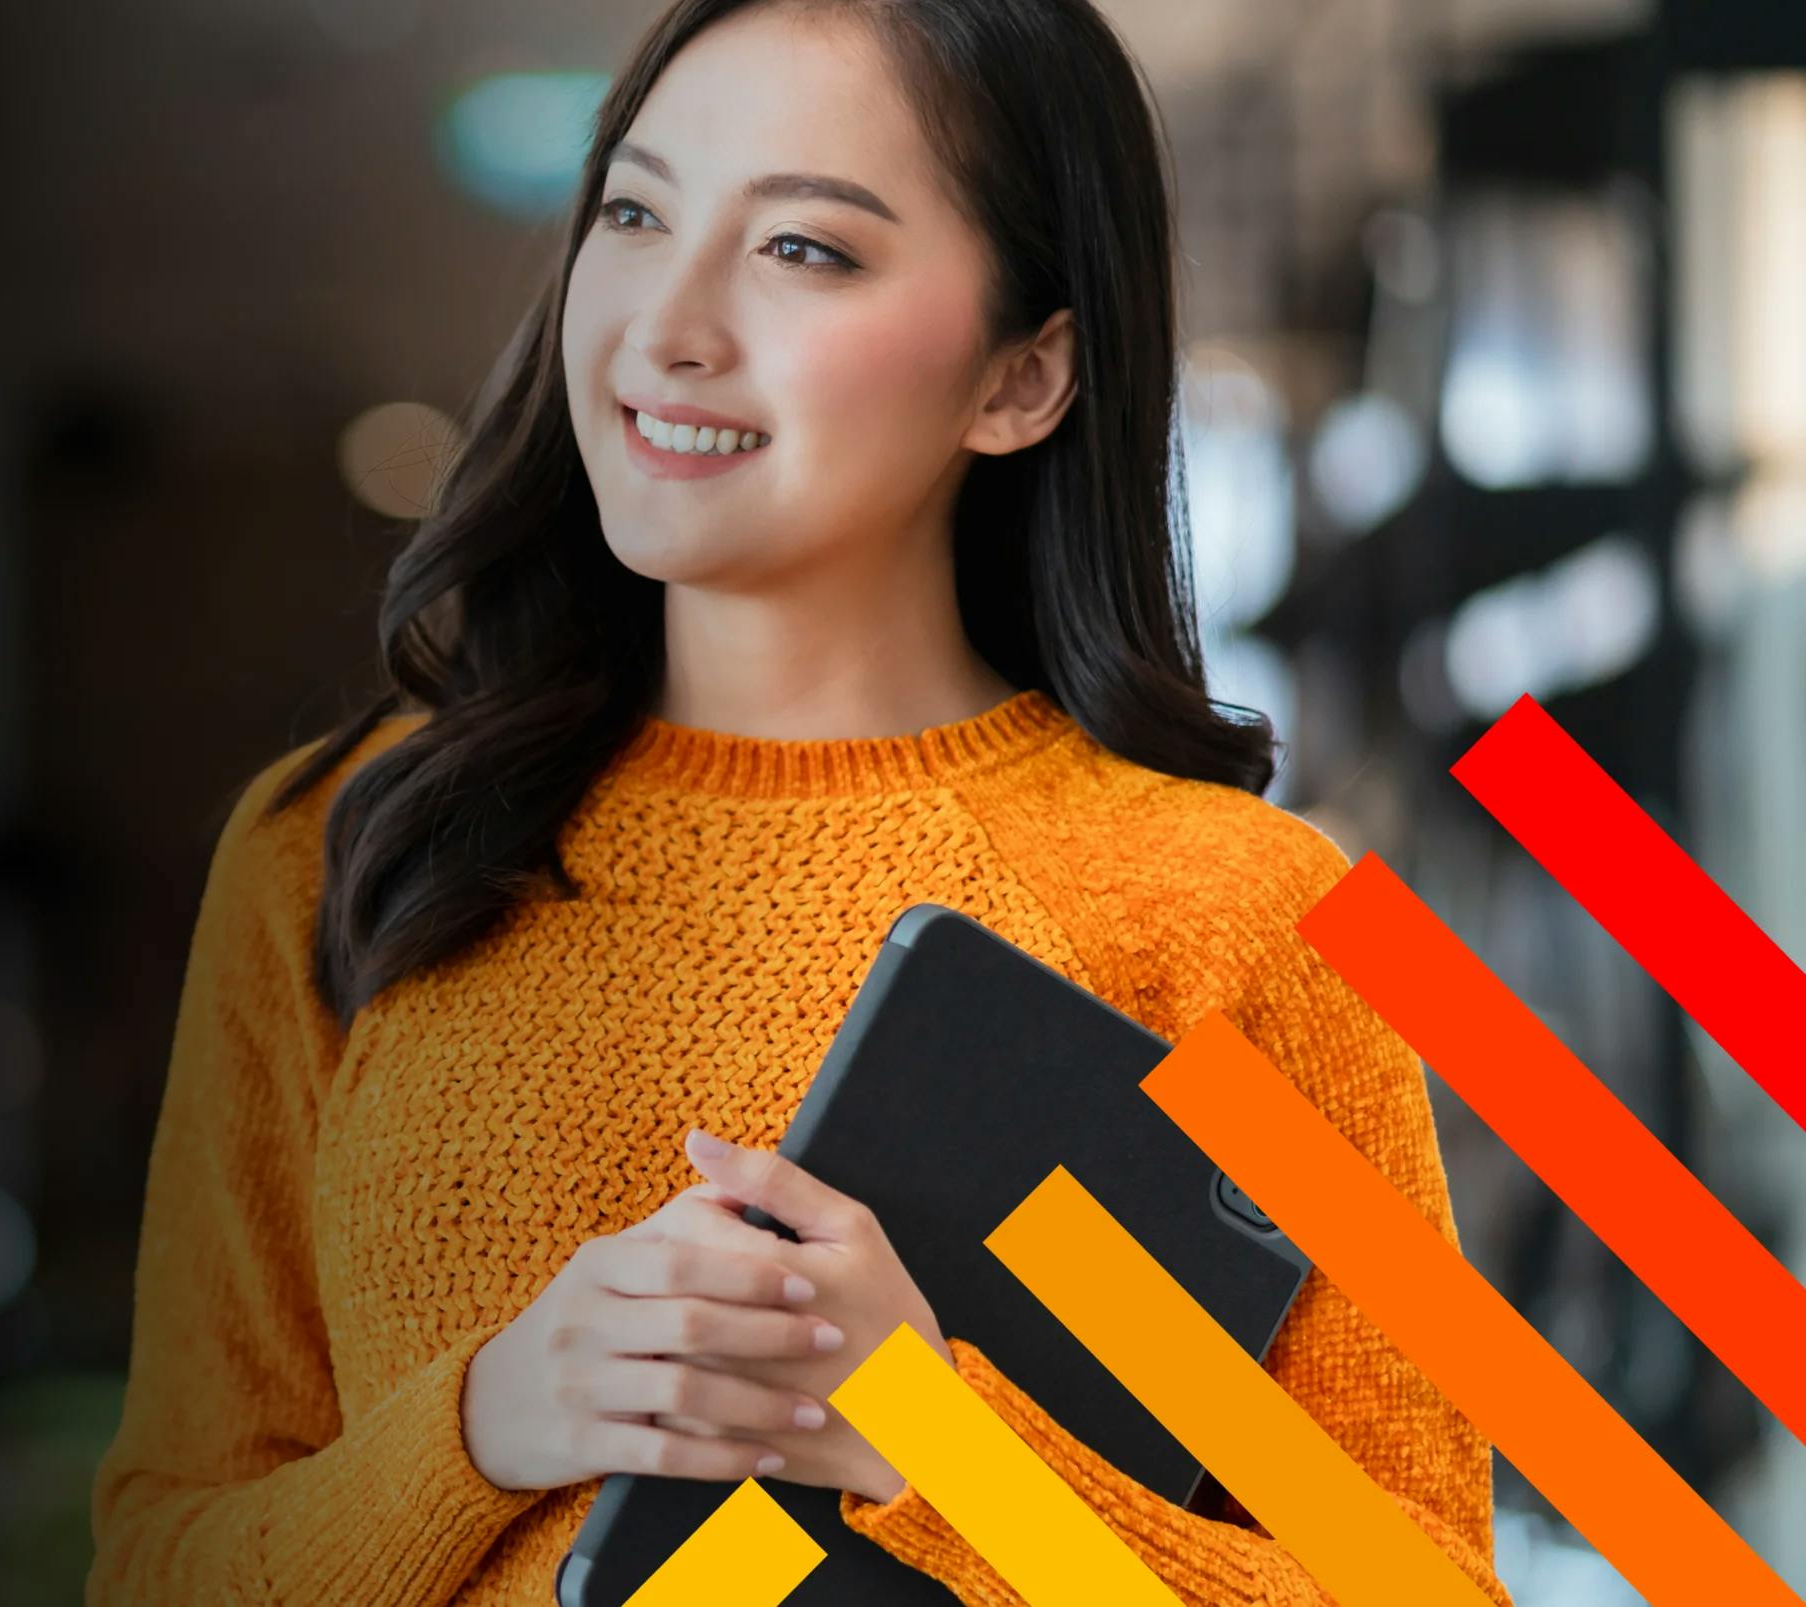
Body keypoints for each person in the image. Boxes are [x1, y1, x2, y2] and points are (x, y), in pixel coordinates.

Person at [85, 1, 1509, 1602]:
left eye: (806, 251)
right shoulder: (340, 847)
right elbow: (158, 1563)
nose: (667, 325)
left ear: (1024, 376)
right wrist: (486, 1426)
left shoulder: (1244, 911)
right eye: (633, 212)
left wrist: (926, 1436)